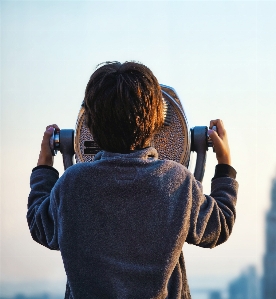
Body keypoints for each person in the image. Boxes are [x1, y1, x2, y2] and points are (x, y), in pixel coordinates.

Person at [27, 61, 238, 299]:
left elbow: (40, 226)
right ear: (158, 121)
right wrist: (224, 166)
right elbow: (220, 226)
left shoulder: (72, 184)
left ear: (90, 124)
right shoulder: (177, 181)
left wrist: (44, 165)